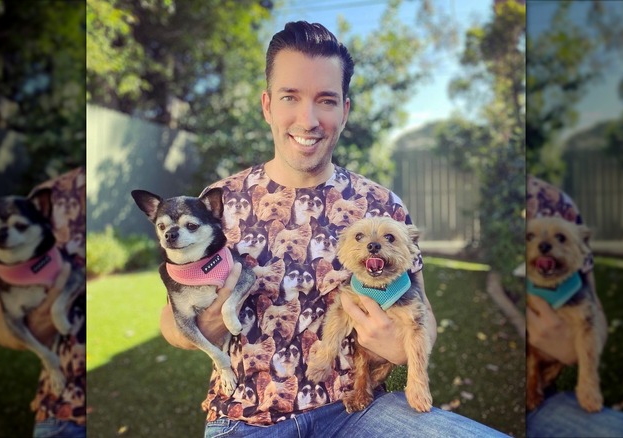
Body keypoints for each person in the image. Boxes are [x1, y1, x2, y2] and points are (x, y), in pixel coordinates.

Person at [160, 21, 506, 437]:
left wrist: (401, 347)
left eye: (325, 100)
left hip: (357, 410)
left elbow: (422, 310)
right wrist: (212, 318)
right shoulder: (217, 203)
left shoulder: (381, 206)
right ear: (268, 105)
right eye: (291, 97)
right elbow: (172, 322)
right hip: (247, 420)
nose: (308, 120)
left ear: (345, 110)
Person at [525, 175, 623, 438]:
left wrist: (573, 356)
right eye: (530, 237)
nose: (544, 244)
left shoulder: (556, 203)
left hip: (546, 403)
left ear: (582, 244)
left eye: (560, 238)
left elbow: (595, 319)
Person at [0, 167, 86, 438]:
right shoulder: (46, 196)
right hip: (61, 405)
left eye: (19, 226)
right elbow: (0, 325)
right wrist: (48, 316)